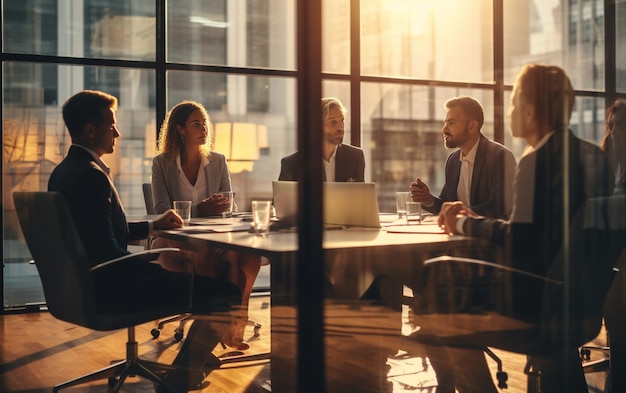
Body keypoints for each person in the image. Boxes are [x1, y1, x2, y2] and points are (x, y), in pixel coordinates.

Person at [427, 65, 611, 393]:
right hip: (582, 303)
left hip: (538, 305)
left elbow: (519, 241)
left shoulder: (534, 161)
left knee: (436, 299)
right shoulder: (594, 158)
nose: (509, 111)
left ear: (529, 110)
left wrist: (464, 222)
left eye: (512, 103)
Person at [48, 90, 241, 392]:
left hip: (84, 286)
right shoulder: (91, 176)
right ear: (90, 130)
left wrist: (152, 227)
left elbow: (101, 231)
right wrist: (153, 266)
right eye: (111, 125)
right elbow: (106, 250)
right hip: (112, 287)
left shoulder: (64, 173)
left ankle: (192, 364)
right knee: (227, 294)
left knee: (215, 283)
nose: (118, 132)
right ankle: (180, 378)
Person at [151, 100, 262, 351]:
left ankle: (234, 324)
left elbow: (230, 207)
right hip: (177, 238)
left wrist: (222, 205)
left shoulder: (218, 161)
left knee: (248, 257)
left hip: (215, 234)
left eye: (204, 124)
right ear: (180, 129)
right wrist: (199, 209)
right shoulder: (162, 164)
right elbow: (159, 209)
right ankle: (215, 327)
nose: (204, 129)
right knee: (209, 253)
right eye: (196, 124)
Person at [410, 96, 516, 219]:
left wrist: (460, 215)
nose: (444, 129)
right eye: (445, 123)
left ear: (472, 126)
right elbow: (447, 205)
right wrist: (429, 200)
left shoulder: (500, 157)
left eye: (451, 123)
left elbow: (500, 206)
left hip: (489, 237)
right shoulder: (453, 161)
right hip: (460, 235)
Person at [600, 99, 626, 393]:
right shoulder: (609, 164)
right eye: (613, 126)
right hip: (611, 256)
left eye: (623, 126)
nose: (616, 132)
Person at [278, 97, 365, 182]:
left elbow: (362, 195)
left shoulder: (355, 157)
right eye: (333, 122)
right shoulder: (292, 164)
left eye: (342, 120)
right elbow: (281, 196)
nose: (341, 127)